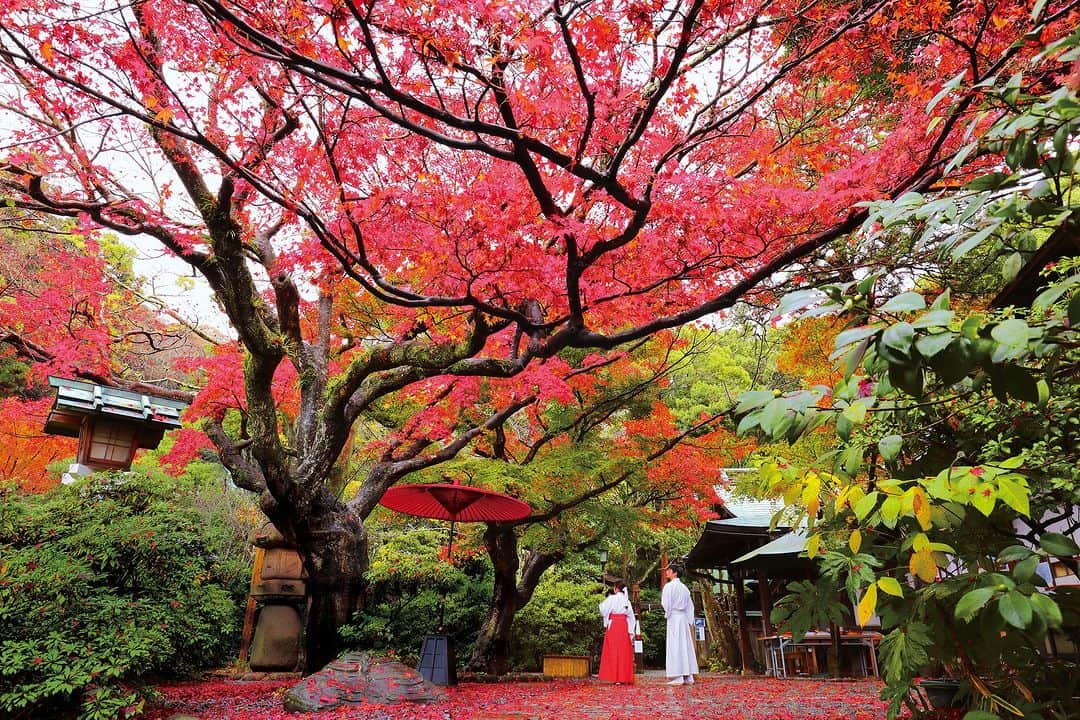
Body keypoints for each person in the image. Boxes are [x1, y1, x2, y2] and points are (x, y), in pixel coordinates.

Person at [661, 563, 698, 686]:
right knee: (685, 645)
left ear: (675, 573)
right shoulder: (684, 588)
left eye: (669, 570)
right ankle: (688, 675)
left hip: (674, 617)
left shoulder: (669, 587)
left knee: (676, 645)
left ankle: (678, 675)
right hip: (683, 618)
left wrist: (668, 613)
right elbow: (690, 606)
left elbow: (666, 603)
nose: (667, 572)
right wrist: (689, 620)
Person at [597, 579, 636, 684]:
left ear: (616, 588)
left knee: (613, 651)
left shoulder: (612, 599)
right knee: (623, 652)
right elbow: (631, 617)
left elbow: (603, 610)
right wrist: (631, 631)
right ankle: (623, 677)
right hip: (623, 625)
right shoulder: (626, 601)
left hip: (614, 625)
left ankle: (615, 677)